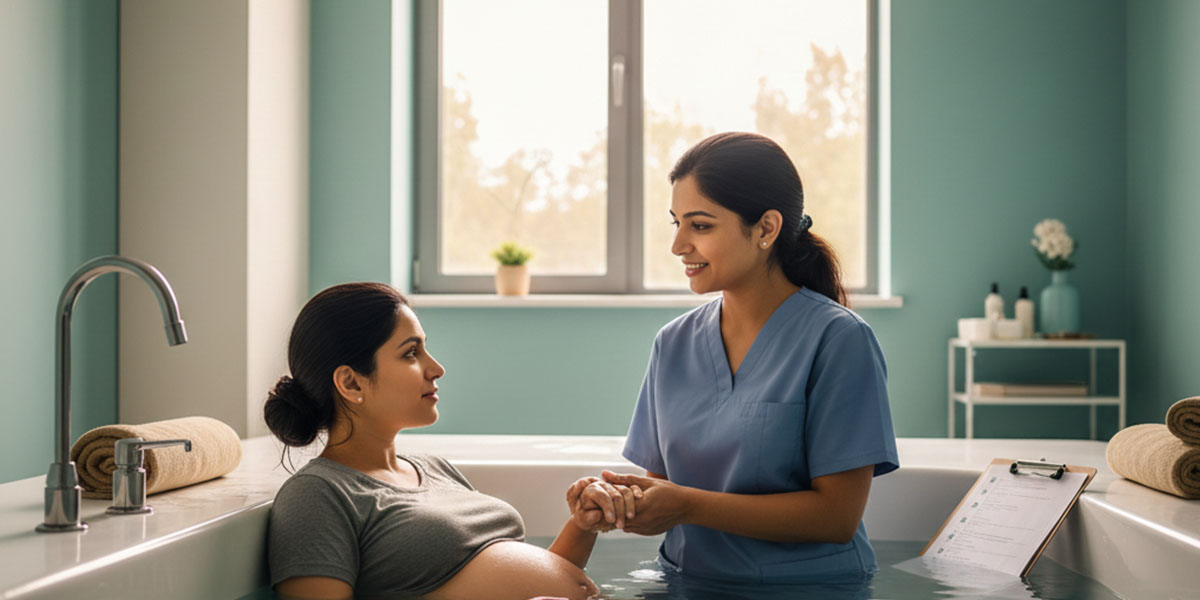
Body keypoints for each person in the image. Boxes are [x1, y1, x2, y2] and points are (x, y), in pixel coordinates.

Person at [574, 132, 899, 585]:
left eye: (701, 225)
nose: (679, 245)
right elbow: (663, 492)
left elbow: (836, 517)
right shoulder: (673, 344)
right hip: (685, 583)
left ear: (766, 228)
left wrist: (688, 504)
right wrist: (612, 500)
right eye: (677, 223)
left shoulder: (839, 340)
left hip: (808, 591)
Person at [264, 282, 637, 600]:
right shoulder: (318, 495)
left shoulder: (434, 468)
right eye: (411, 353)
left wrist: (582, 525)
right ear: (351, 383)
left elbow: (524, 577)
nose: (436, 368)